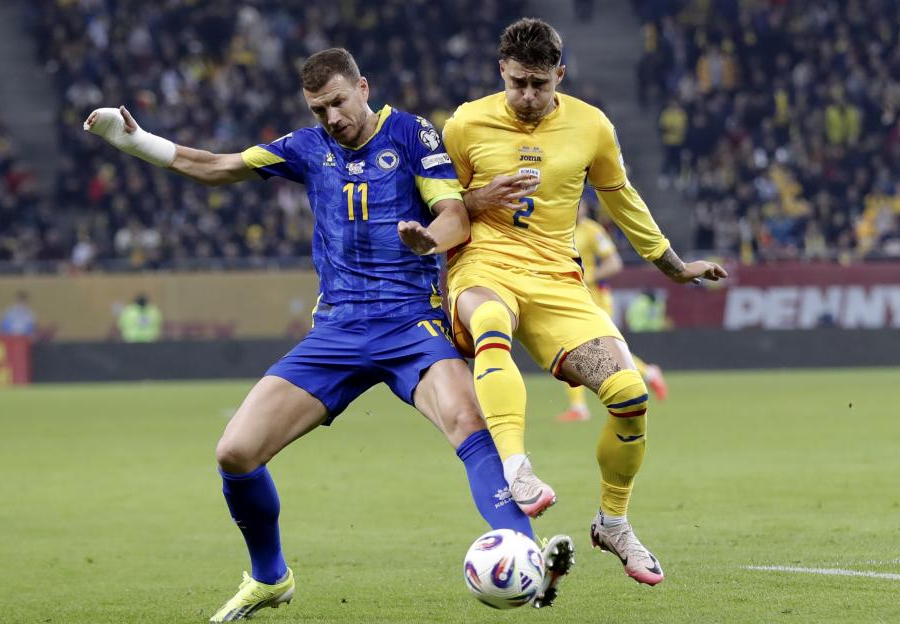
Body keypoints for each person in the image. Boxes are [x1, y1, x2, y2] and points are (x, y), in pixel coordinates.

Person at [84, 48, 573, 621]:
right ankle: (271, 579)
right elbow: (218, 167)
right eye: (320, 109)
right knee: (235, 453)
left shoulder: (412, 134)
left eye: (339, 102)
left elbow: (454, 214)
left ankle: (527, 557)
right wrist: (137, 143)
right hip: (337, 331)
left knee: (469, 421)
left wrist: (429, 239)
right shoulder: (304, 147)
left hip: (410, 323)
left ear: (363, 88)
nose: (332, 117)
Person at [442, 18, 727, 585]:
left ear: (560, 77)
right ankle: (517, 469)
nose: (527, 96)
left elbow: (621, 197)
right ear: (502, 70)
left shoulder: (592, 126)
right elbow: (441, 204)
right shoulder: (465, 123)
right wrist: (475, 199)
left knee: (630, 394)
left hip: (557, 279)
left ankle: (613, 523)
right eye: (518, 82)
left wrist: (671, 265)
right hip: (485, 265)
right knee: (492, 323)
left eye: (539, 85)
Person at [556, 202, 668, 423]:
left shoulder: (592, 231)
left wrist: (588, 277)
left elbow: (614, 263)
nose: (581, 210)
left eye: (583, 206)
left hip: (595, 298)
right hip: (569, 297)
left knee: (589, 348)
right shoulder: (554, 228)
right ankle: (648, 373)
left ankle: (580, 407)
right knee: (571, 347)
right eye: (576, 205)